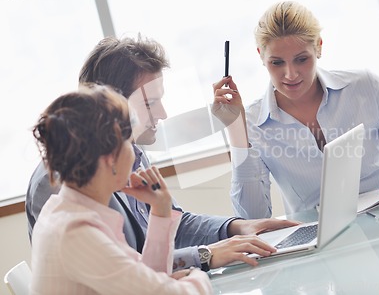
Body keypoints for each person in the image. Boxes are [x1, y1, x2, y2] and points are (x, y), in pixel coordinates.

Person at [26, 35, 298, 272]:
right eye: (150, 103)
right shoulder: (61, 181)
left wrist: (238, 228)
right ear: (110, 104)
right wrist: (206, 255)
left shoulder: (130, 153)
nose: (162, 114)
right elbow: (120, 273)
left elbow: (173, 225)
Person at [212, 1, 379, 219]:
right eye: (277, 63)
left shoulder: (364, 86)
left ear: (318, 47)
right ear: (261, 57)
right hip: (321, 243)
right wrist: (237, 131)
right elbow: (252, 219)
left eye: (301, 59)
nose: (290, 74)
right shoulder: (252, 122)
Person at [30, 84, 211, 294]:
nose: (135, 153)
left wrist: (161, 211)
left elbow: (142, 279)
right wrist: (198, 276)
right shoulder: (75, 233)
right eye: (128, 143)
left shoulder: (69, 211)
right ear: (110, 158)